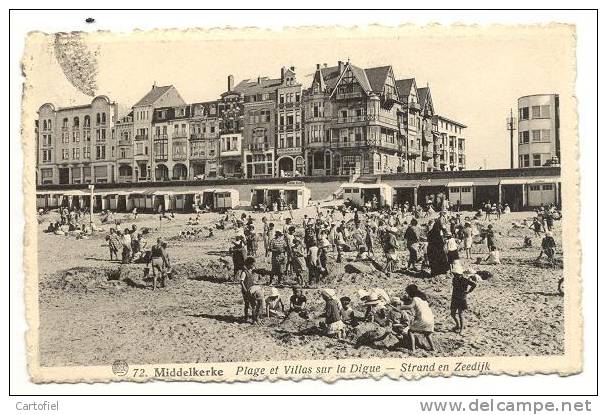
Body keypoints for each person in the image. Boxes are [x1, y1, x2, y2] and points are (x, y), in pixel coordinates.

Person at [401, 284, 435, 352]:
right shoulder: (423, 299)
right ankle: (433, 348)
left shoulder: (415, 298)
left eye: (408, 293)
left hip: (423, 319)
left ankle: (413, 349)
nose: (408, 295)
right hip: (431, 318)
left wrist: (400, 307)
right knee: (428, 334)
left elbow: (410, 306)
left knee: (410, 331)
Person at [450, 263, 477, 333]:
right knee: (452, 313)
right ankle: (457, 325)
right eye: (454, 274)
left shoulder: (464, 279)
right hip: (455, 298)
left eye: (456, 274)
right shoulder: (454, 279)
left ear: (460, 274)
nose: (455, 275)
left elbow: (474, 284)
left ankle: (461, 329)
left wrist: (468, 291)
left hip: (461, 298)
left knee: (460, 314)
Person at [239, 257, 257, 322]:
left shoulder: (249, 271)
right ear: (249, 264)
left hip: (251, 290)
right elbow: (241, 282)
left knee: (251, 304)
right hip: (247, 291)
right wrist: (245, 291)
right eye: (253, 264)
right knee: (250, 304)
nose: (253, 266)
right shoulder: (244, 272)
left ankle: (249, 318)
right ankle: (250, 318)